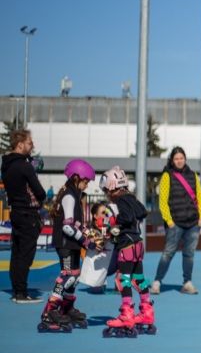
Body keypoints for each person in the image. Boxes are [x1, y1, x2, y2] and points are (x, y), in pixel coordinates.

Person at [38, 160, 98, 331]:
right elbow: (67, 226)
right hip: (65, 242)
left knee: (75, 275)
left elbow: (77, 225)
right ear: (76, 177)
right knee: (67, 275)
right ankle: (49, 311)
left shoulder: (74, 194)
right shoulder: (70, 196)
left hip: (72, 243)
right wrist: (86, 241)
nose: (87, 184)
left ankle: (66, 308)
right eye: (86, 181)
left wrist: (91, 235)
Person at [101, 166, 154, 337]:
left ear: (111, 186)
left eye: (106, 190)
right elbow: (142, 212)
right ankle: (147, 311)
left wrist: (113, 222)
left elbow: (127, 217)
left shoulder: (119, 201)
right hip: (138, 243)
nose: (106, 194)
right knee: (139, 279)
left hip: (126, 245)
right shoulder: (130, 197)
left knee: (122, 279)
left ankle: (127, 314)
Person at [1, 129, 46, 303]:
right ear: (20, 145)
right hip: (28, 214)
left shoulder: (7, 165)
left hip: (16, 212)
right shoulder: (24, 166)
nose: (32, 145)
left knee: (17, 252)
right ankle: (21, 292)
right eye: (29, 142)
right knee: (26, 254)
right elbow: (40, 192)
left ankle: (17, 290)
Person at [153, 147, 201, 295]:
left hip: (193, 223)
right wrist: (169, 221)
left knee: (189, 254)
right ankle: (157, 281)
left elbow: (199, 197)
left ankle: (187, 282)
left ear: (185, 159)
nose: (179, 161)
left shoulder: (193, 175)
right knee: (168, 253)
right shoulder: (167, 176)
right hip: (175, 223)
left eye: (181, 158)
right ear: (172, 160)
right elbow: (162, 201)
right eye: (176, 158)